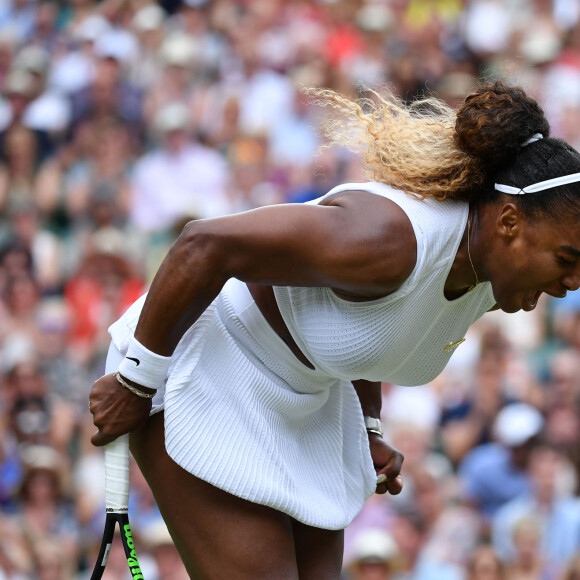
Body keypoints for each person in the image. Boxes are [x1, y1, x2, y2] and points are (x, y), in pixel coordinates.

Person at [89, 80, 580, 579]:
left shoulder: (487, 273)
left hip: (309, 399)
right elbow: (202, 245)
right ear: (510, 222)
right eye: (567, 258)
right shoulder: (386, 241)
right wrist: (137, 379)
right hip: (203, 362)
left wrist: (369, 425)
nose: (574, 281)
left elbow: (372, 325)